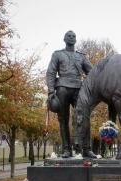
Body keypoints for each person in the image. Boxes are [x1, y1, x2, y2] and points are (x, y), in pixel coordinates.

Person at [46, 30, 96, 158]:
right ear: (64, 39)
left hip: (79, 89)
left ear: (76, 40)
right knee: (63, 119)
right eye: (69, 36)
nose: (71, 38)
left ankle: (86, 148)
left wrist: (89, 87)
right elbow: (51, 73)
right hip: (62, 89)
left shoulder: (81, 57)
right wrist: (51, 91)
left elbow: (92, 73)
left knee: (84, 118)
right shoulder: (57, 54)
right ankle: (66, 149)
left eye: (74, 36)